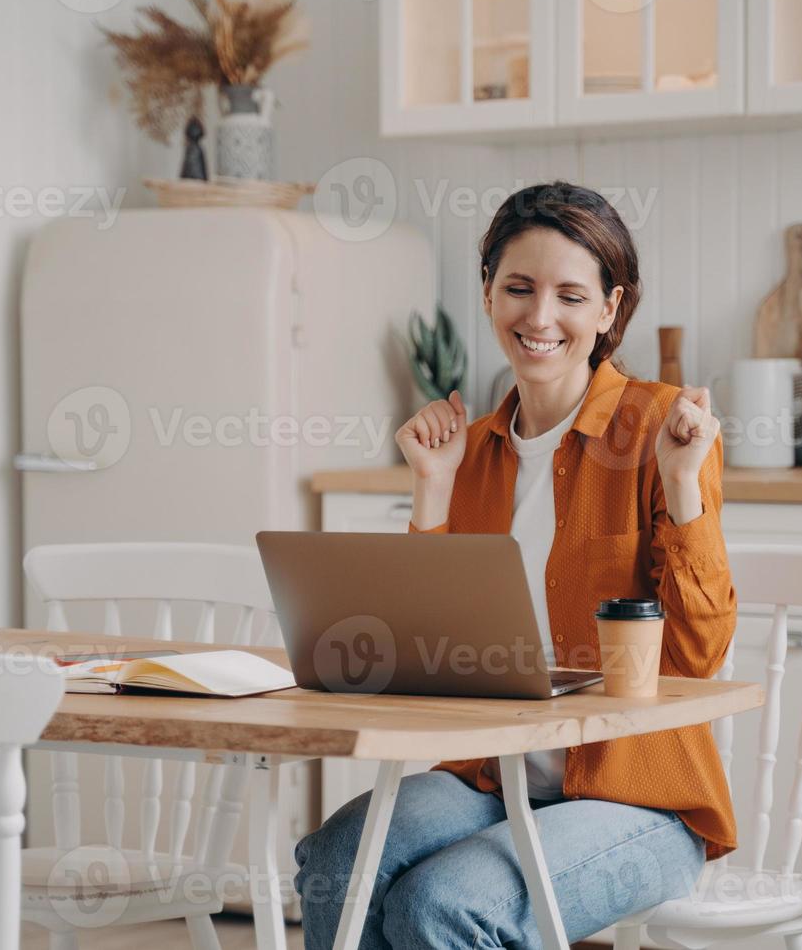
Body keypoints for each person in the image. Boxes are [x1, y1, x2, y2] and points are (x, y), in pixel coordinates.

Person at [293, 181, 737, 950]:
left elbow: (696, 660)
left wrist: (679, 482)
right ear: (490, 295)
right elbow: (423, 661)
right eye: (519, 289)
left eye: (570, 294)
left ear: (608, 310)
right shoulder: (471, 452)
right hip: (490, 780)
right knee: (338, 858)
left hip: (641, 801)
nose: (539, 317)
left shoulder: (662, 428)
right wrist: (431, 492)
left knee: (442, 903)